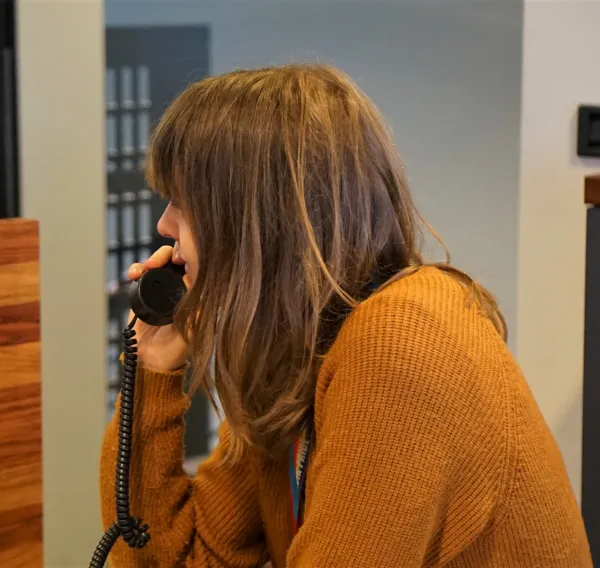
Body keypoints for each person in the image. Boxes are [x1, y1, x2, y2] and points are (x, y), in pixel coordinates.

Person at [100, 64, 592, 567]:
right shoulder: (293, 352)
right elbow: (174, 558)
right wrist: (154, 364)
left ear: (262, 223)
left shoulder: (402, 343)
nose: (165, 224)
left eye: (184, 202)